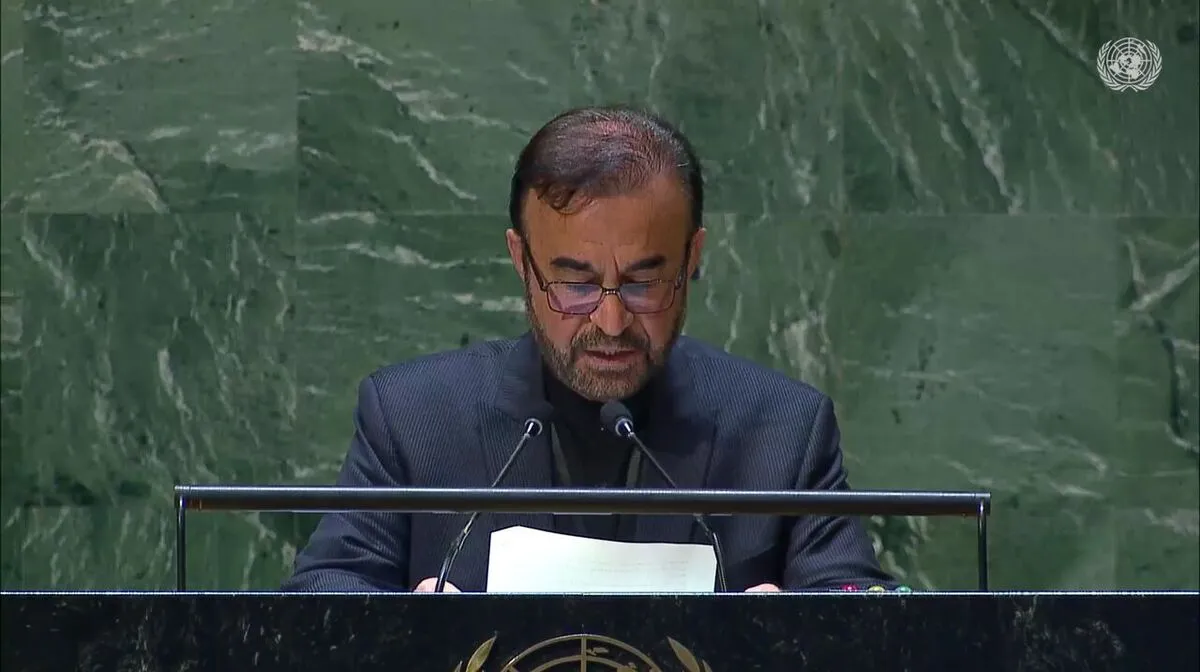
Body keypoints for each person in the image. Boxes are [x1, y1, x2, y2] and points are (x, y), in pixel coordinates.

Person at [282, 105, 895, 593]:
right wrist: (406, 632)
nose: (610, 320)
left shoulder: (783, 430)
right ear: (522, 261)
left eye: (643, 282)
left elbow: (864, 610)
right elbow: (320, 597)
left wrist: (801, 634)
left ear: (692, 258)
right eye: (575, 284)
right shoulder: (414, 417)